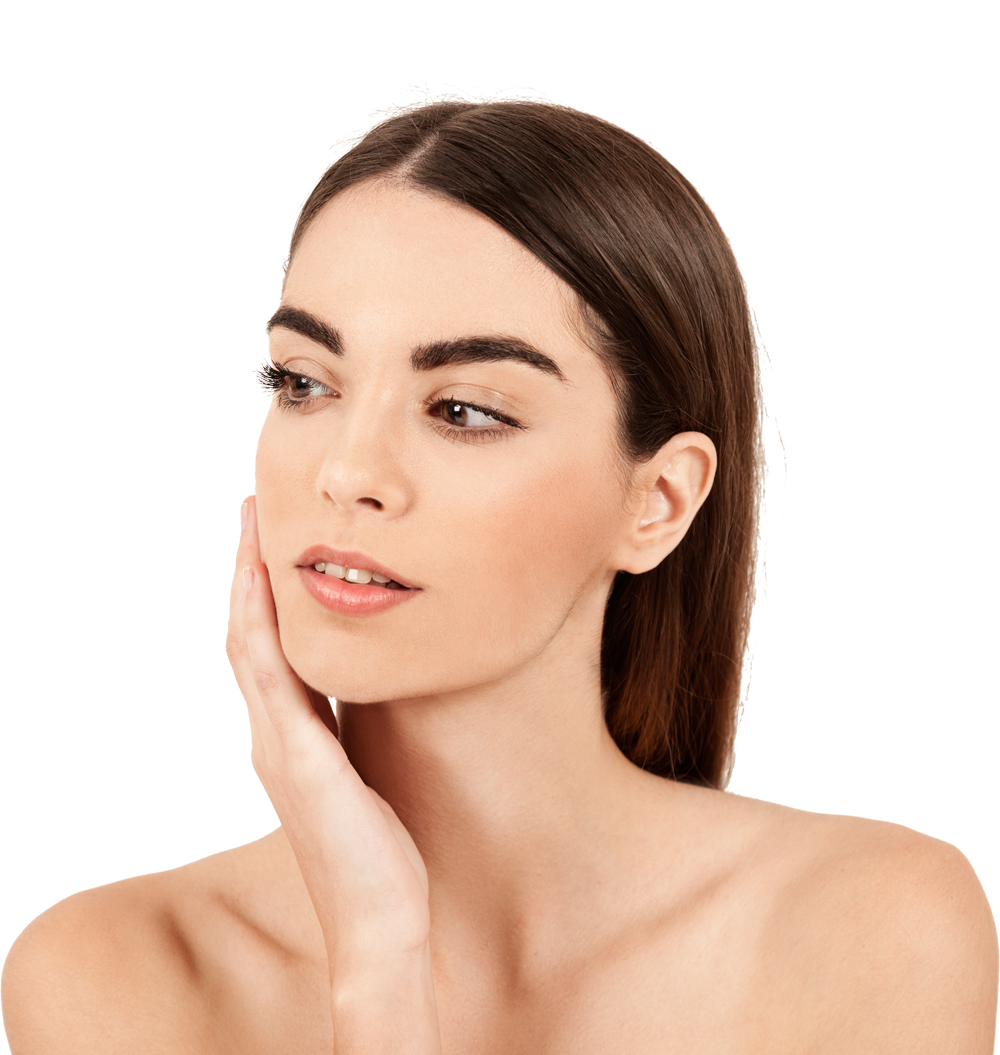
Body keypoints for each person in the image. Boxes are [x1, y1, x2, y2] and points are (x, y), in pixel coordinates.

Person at [3, 101, 996, 1054]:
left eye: (465, 409)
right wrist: (377, 948)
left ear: (657, 501)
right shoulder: (115, 971)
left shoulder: (865, 926)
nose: (346, 471)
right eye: (304, 383)